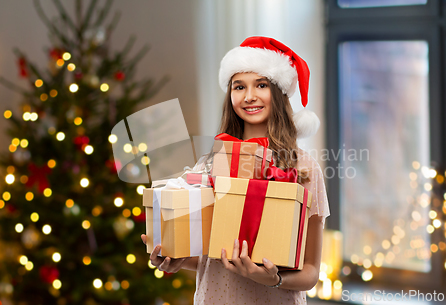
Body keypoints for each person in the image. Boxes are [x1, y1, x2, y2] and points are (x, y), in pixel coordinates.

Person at [141, 36, 330, 305]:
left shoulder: (304, 168)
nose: (249, 96)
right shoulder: (210, 163)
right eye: (239, 87)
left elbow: (311, 272)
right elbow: (211, 258)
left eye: (261, 85)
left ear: (278, 92)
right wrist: (177, 259)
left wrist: (274, 279)